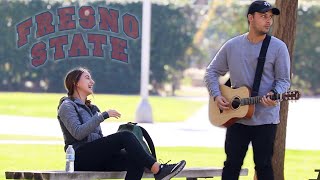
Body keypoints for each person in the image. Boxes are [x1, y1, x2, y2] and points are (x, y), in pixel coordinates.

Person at [204, 1, 290, 180]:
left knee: (264, 166)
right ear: (250, 18)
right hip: (235, 118)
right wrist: (217, 95)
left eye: (270, 17)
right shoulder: (232, 46)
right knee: (231, 165)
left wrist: (275, 94)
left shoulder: (278, 47)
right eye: (263, 16)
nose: (268, 21)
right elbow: (211, 72)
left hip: (266, 119)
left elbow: (283, 81)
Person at [57, 67, 186, 180]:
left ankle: (156, 168)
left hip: (95, 156)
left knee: (136, 159)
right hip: (79, 157)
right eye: (87, 78)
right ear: (75, 82)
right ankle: (158, 169)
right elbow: (78, 133)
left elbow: (98, 139)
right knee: (125, 136)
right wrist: (103, 116)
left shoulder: (93, 108)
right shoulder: (67, 106)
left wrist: (119, 148)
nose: (92, 82)